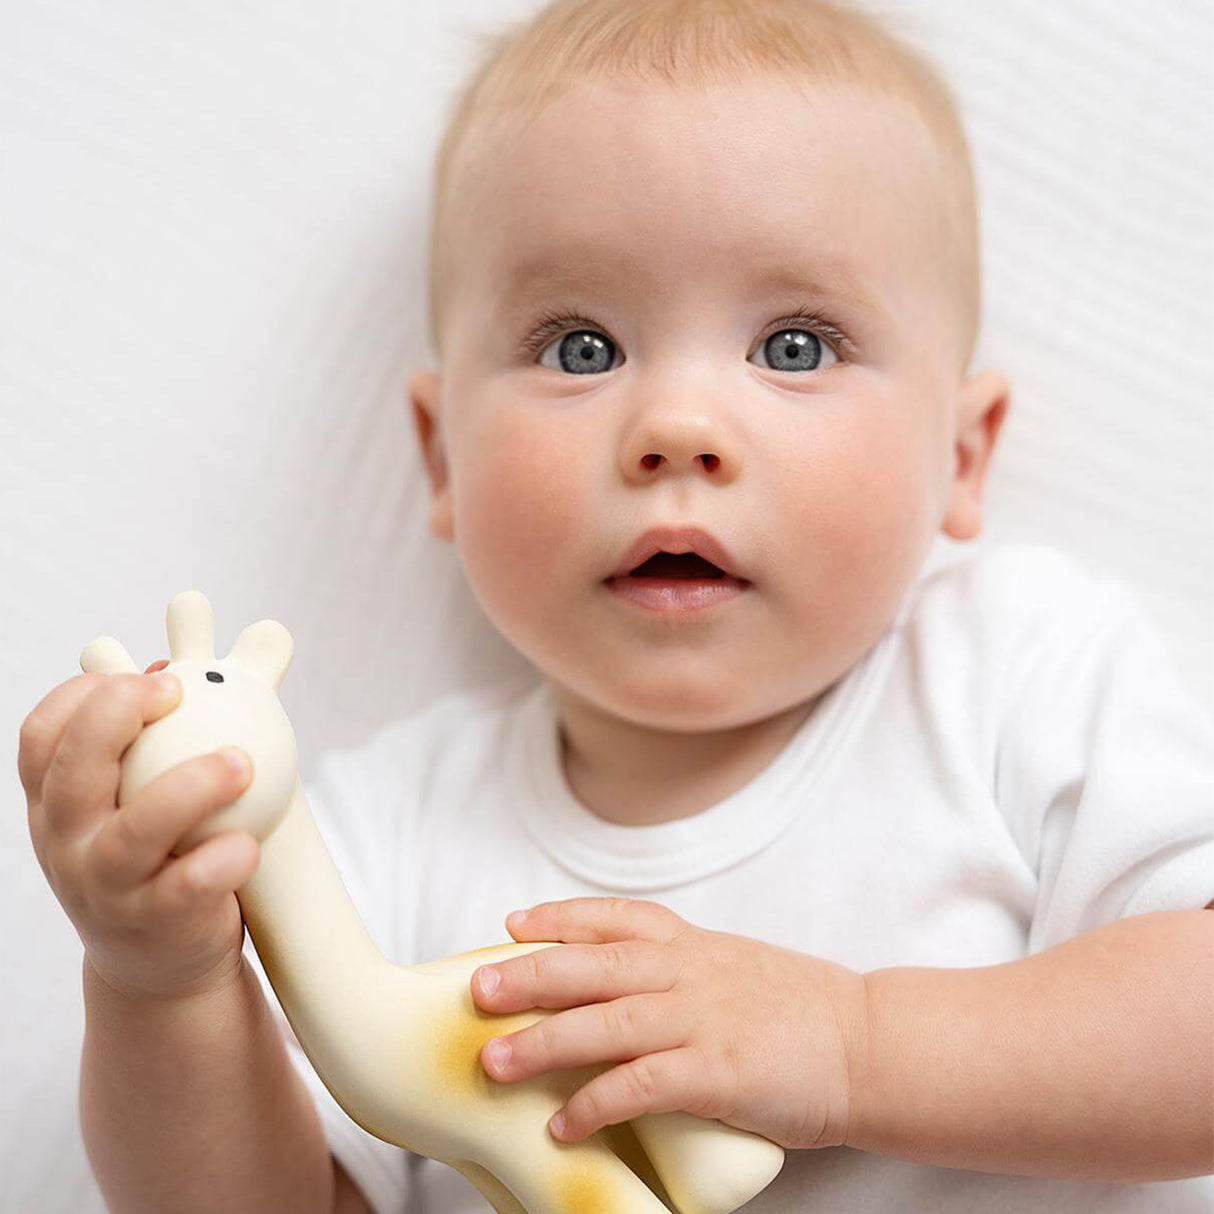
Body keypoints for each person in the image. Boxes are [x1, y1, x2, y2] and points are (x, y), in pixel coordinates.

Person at [18, 1, 1213, 1211]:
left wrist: (854, 1042)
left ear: (959, 455)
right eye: (581, 348)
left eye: (793, 346)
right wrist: (158, 984)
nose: (675, 429)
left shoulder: (1013, 666)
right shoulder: (380, 837)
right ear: (442, 459)